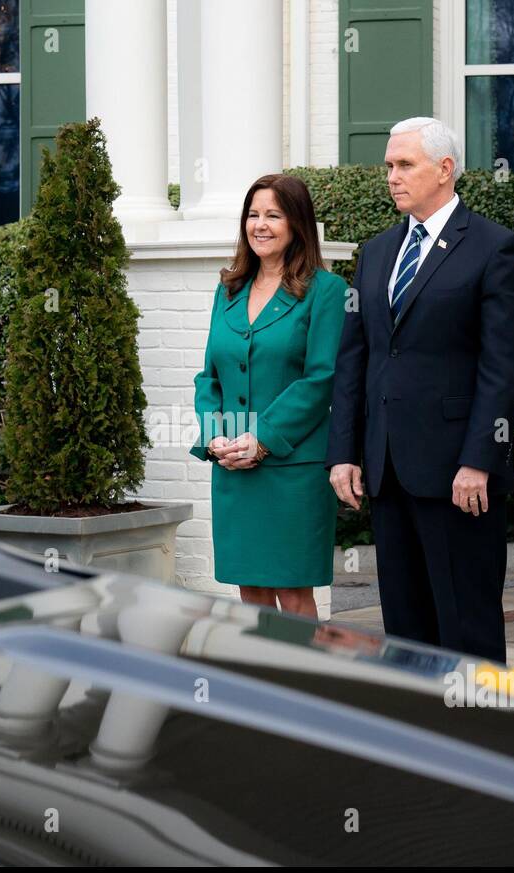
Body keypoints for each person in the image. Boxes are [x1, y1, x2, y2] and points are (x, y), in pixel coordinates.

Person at [325, 117, 514, 663]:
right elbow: (355, 360)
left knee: (466, 627)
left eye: (404, 165)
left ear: (445, 170)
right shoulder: (375, 254)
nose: (391, 177)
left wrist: (479, 461)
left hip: (458, 474)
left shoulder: (495, 248)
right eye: (389, 166)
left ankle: (480, 738)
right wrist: (344, 452)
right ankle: (415, 738)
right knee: (405, 629)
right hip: (388, 471)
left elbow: (502, 367)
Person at [190, 174, 348, 618]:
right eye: (253, 215)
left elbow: (321, 379)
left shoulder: (326, 291)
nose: (260, 225)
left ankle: (300, 683)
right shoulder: (229, 290)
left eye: (273, 215)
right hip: (233, 467)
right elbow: (210, 378)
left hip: (292, 468)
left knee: (294, 594)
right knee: (251, 591)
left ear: (297, 223)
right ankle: (260, 682)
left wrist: (260, 440)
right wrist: (216, 436)